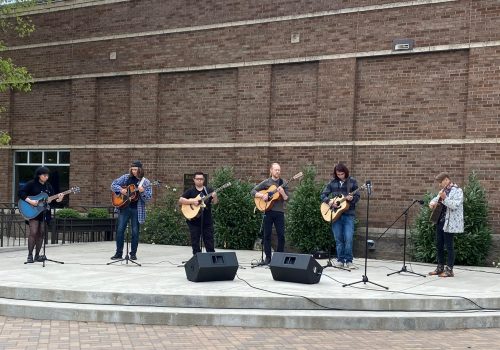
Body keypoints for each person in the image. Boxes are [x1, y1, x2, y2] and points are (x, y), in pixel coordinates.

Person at [18, 166, 65, 263]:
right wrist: (30, 201)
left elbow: (53, 201)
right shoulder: (32, 184)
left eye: (47, 175)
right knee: (33, 233)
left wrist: (59, 198)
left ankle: (37, 255)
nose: (46, 177)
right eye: (44, 175)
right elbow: (21, 193)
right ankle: (30, 255)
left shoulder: (48, 186)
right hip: (33, 212)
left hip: (44, 213)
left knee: (41, 234)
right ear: (39, 175)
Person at [320, 163, 360, 269]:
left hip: (348, 215)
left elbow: (357, 197)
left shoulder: (352, 182)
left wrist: (352, 199)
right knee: (338, 238)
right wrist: (329, 202)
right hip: (335, 215)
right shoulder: (332, 183)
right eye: (338, 174)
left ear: (345, 173)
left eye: (342, 174)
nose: (340, 176)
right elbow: (323, 195)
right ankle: (340, 260)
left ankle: (349, 261)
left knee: (348, 238)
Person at [110, 160, 152, 261]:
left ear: (140, 170)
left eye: (135, 169)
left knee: (135, 232)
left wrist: (142, 192)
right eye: (132, 169)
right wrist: (121, 190)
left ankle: (133, 254)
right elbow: (113, 185)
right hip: (124, 208)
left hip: (136, 209)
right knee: (120, 230)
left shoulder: (146, 182)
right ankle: (118, 253)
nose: (133, 171)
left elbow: (148, 198)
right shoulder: (125, 177)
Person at [251, 163, 289, 265]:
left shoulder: (283, 183)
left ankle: (279, 257)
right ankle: (268, 258)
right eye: (276, 170)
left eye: (279, 170)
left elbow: (286, 198)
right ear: (271, 170)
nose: (278, 172)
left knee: (281, 235)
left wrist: (282, 192)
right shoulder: (266, 182)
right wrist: (262, 195)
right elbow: (253, 191)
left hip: (279, 212)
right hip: (267, 211)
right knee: (266, 235)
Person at [428, 172, 464, 278]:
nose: (439, 184)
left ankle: (449, 270)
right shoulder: (443, 191)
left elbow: (455, 205)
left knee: (449, 246)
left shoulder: (458, 191)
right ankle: (440, 268)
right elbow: (435, 200)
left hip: (450, 223)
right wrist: (432, 204)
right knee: (439, 245)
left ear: (446, 180)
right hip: (440, 221)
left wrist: (444, 198)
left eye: (440, 182)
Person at [179, 172, 218, 255]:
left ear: (203, 180)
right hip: (194, 221)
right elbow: (181, 200)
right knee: (195, 242)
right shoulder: (190, 191)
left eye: (201, 179)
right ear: (194, 180)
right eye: (198, 179)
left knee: (209, 241)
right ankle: (197, 259)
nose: (199, 181)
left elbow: (215, 203)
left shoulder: (209, 190)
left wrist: (215, 197)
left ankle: (211, 260)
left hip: (207, 221)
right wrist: (193, 201)